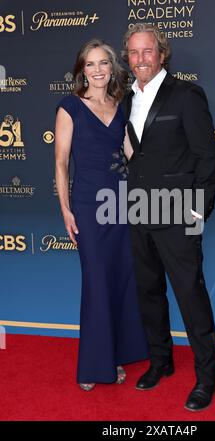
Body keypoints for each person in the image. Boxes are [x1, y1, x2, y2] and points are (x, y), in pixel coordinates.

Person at [122, 24, 215, 411]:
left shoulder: (186, 95)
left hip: (180, 213)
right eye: (133, 53)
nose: (141, 59)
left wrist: (198, 210)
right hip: (138, 211)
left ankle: (207, 378)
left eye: (147, 52)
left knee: (191, 297)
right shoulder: (125, 98)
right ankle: (160, 362)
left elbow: (208, 157)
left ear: (162, 54)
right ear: (127, 58)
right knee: (149, 293)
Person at [55, 39, 148, 391]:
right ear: (82, 70)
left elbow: (129, 154)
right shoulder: (70, 107)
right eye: (90, 65)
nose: (97, 71)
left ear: (112, 68)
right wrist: (65, 209)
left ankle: (119, 353)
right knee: (96, 281)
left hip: (121, 202)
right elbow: (61, 163)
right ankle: (96, 365)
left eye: (103, 64)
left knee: (121, 278)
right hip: (88, 206)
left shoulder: (119, 104)